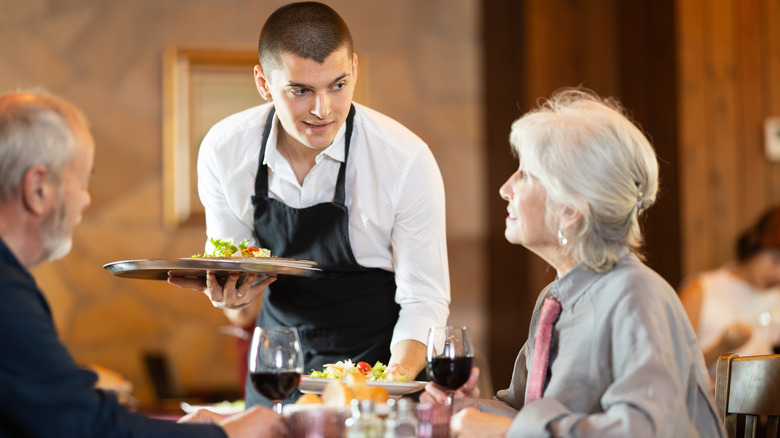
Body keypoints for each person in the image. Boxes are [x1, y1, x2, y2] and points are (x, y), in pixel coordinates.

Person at [168, 1, 450, 408]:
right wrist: (232, 298)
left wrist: (389, 383)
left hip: (378, 368)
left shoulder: (404, 161)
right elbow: (234, 269)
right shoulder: (224, 150)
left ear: (354, 67)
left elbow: (424, 299)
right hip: (278, 371)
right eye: (301, 91)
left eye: (338, 84)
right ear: (264, 83)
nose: (323, 110)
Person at [420, 89, 726, 437]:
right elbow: (527, 411)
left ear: (569, 211)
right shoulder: (556, 298)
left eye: (525, 175)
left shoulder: (636, 295)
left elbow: (645, 429)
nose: (506, 188)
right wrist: (471, 409)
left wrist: (505, 433)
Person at [0, 89, 287, 438]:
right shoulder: (7, 295)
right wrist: (228, 435)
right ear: (38, 189)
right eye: (83, 181)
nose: (86, 200)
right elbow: (84, 427)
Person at [679, 205, 780, 376]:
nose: (778, 274)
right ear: (755, 243)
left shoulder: (776, 296)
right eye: (776, 259)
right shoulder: (700, 290)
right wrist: (722, 347)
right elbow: (676, 368)